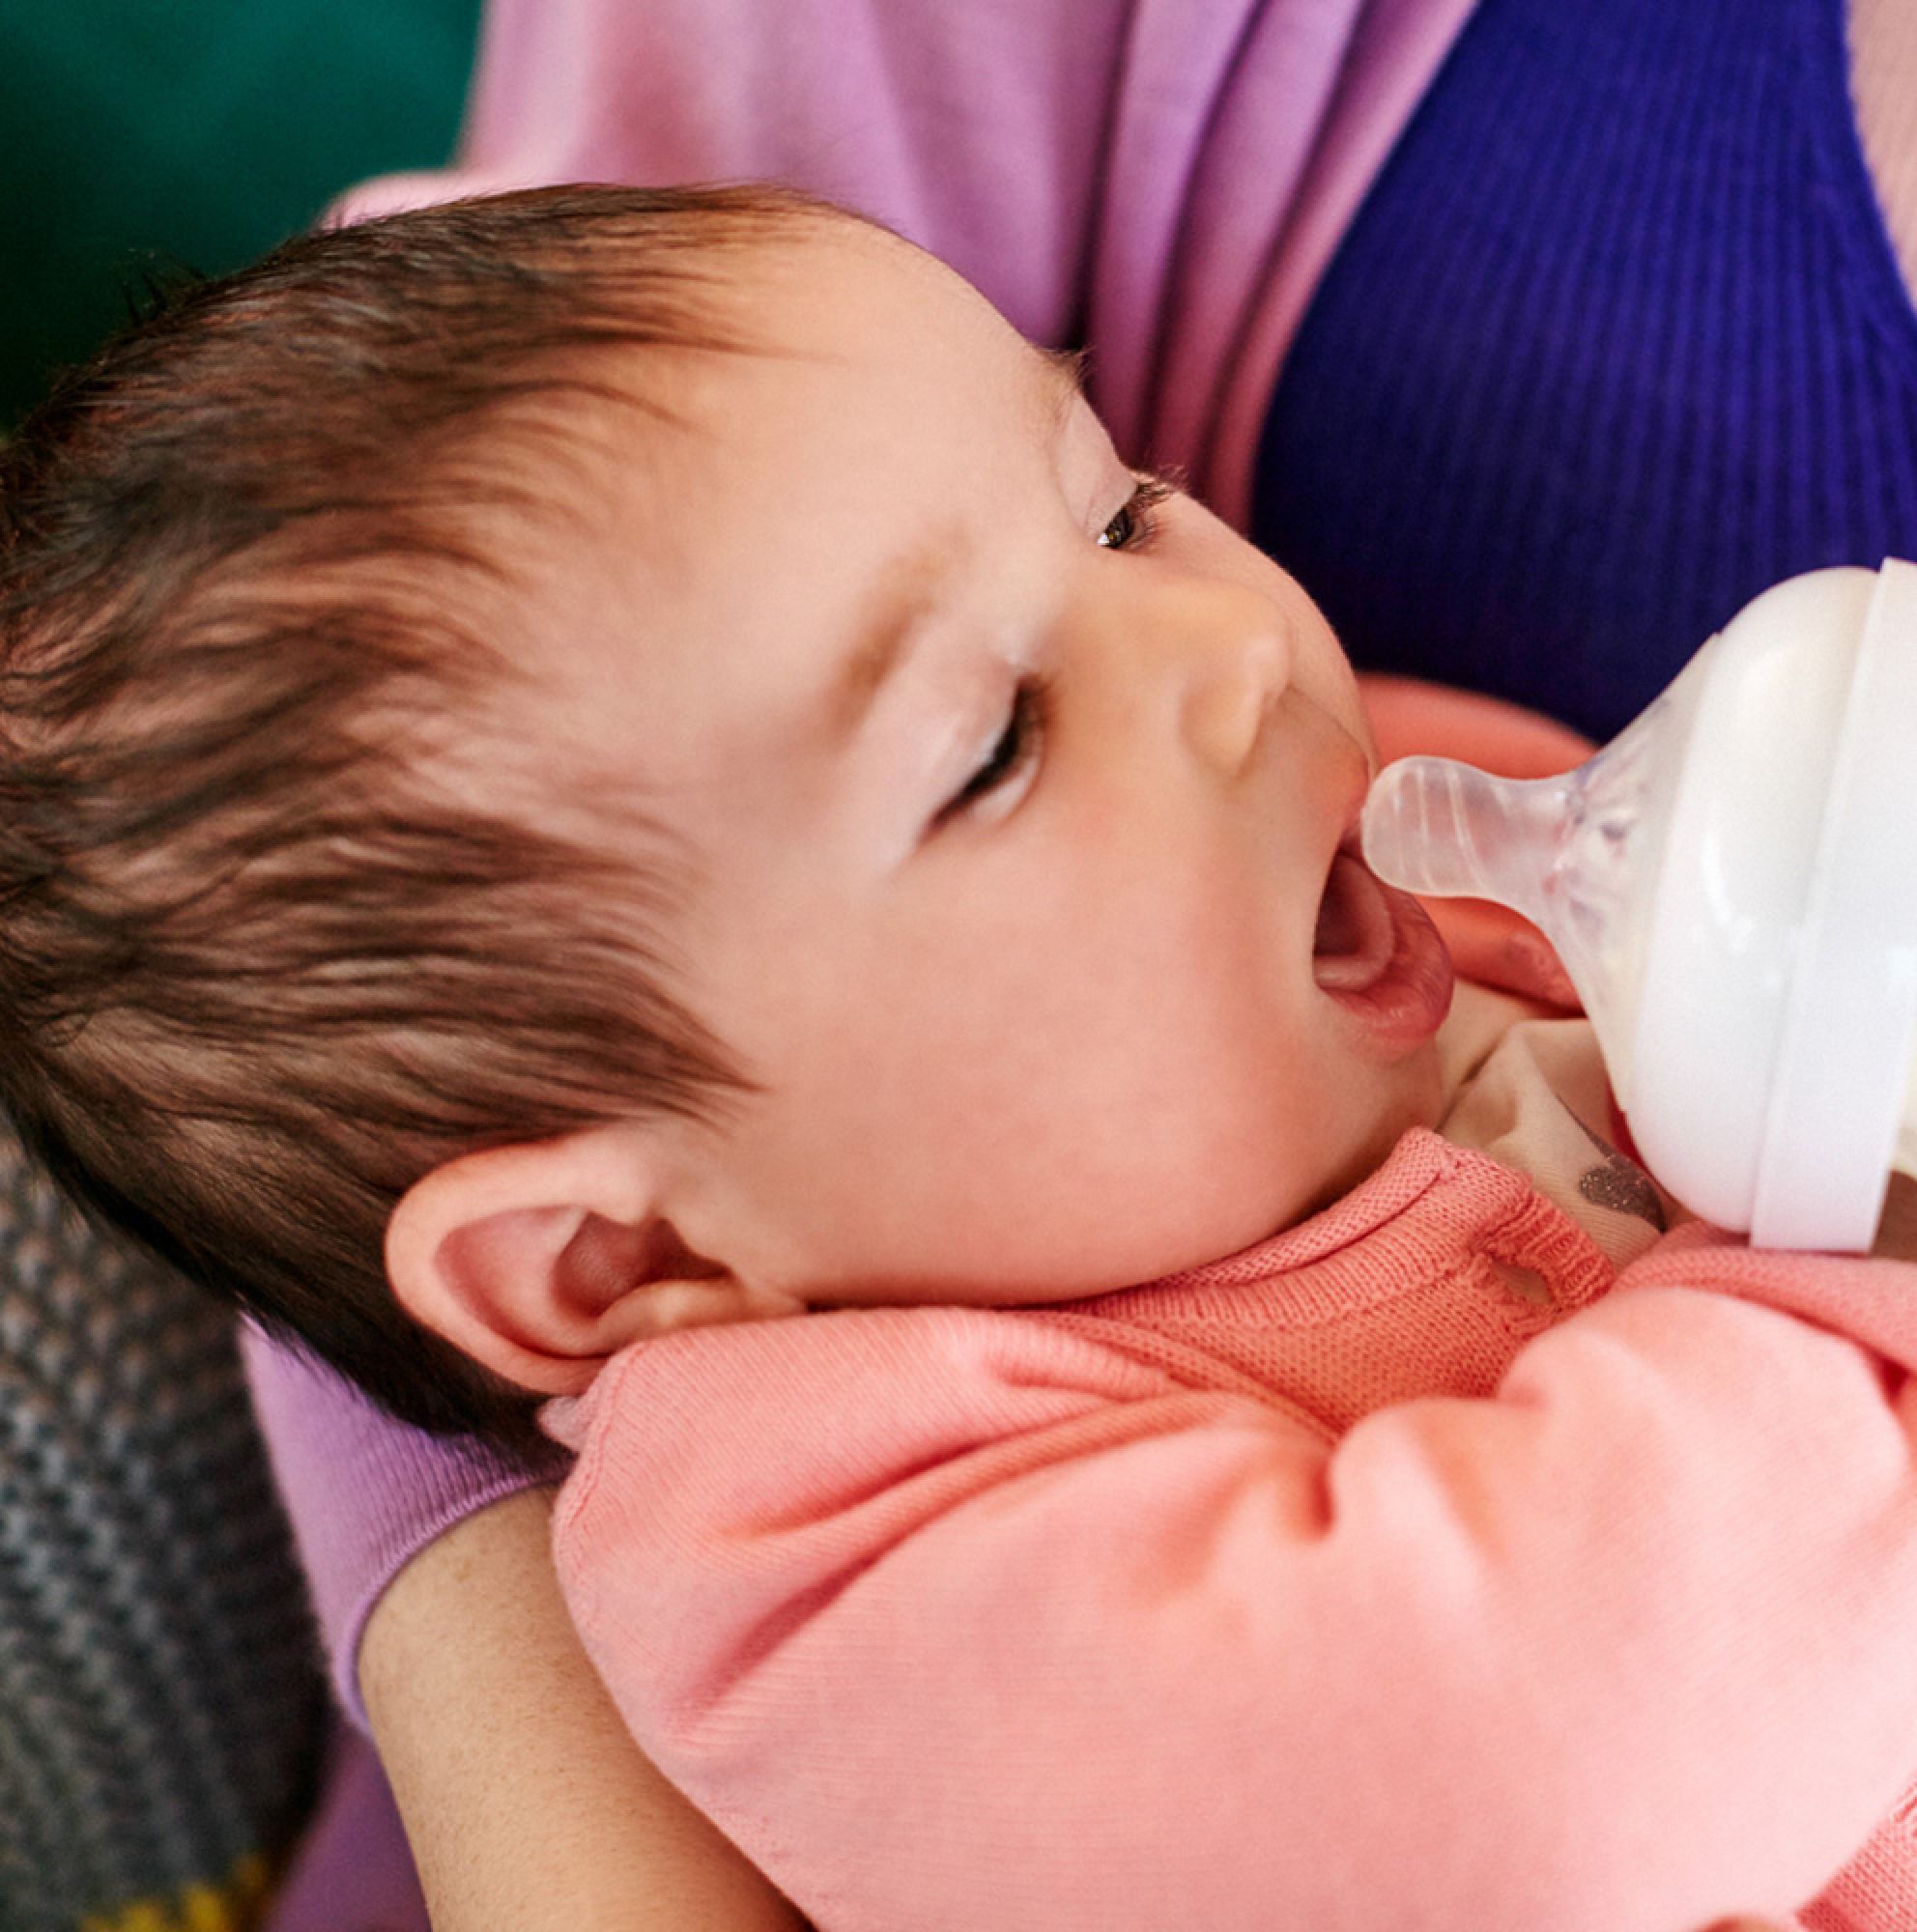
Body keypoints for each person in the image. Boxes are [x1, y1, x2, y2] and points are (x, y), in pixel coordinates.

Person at [158, 0, 1917, 1920]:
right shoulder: (842, 1530)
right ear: (629, 1257)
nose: (1232, 652)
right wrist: (1835, 1287)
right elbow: (1544, 1774)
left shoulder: (1435, 835)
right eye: (990, 744)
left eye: (1118, 505)